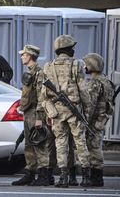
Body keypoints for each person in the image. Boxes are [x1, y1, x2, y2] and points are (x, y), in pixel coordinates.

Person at [40, 34, 93, 188]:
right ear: (68, 49)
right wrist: (87, 111)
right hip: (73, 109)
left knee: (60, 143)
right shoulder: (76, 64)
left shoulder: (48, 66)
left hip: (56, 111)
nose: (74, 50)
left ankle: (63, 177)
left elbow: (44, 94)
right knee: (80, 142)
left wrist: (48, 112)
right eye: (72, 48)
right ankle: (86, 176)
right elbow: (83, 90)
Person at [12, 45, 50, 186]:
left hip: (35, 113)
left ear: (30, 56)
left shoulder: (39, 73)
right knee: (29, 144)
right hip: (28, 112)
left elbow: (42, 96)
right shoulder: (30, 72)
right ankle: (30, 173)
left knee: (39, 143)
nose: (22, 57)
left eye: (24, 54)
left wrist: (40, 117)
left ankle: (44, 176)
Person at [83, 53, 114, 187]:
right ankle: (96, 176)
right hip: (102, 118)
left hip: (94, 120)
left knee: (93, 147)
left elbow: (90, 105)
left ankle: (96, 178)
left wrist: (84, 121)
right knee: (96, 145)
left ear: (92, 66)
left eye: (86, 64)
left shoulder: (94, 83)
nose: (84, 66)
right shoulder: (106, 81)